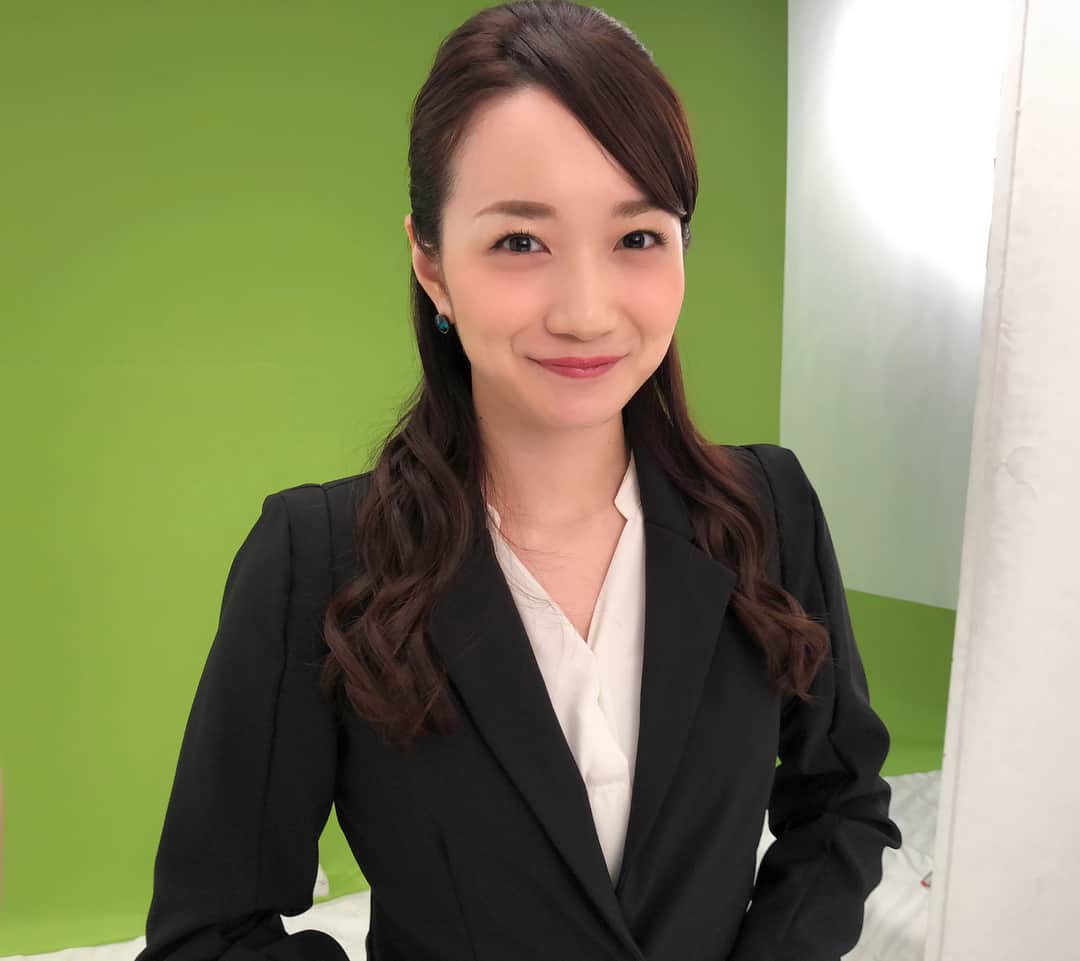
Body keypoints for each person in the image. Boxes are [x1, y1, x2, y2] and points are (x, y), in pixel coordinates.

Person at [134, 2, 902, 960]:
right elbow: (210, 935)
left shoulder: (768, 511)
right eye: (519, 242)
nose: (585, 312)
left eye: (637, 237)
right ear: (431, 264)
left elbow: (843, 805)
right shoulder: (318, 561)